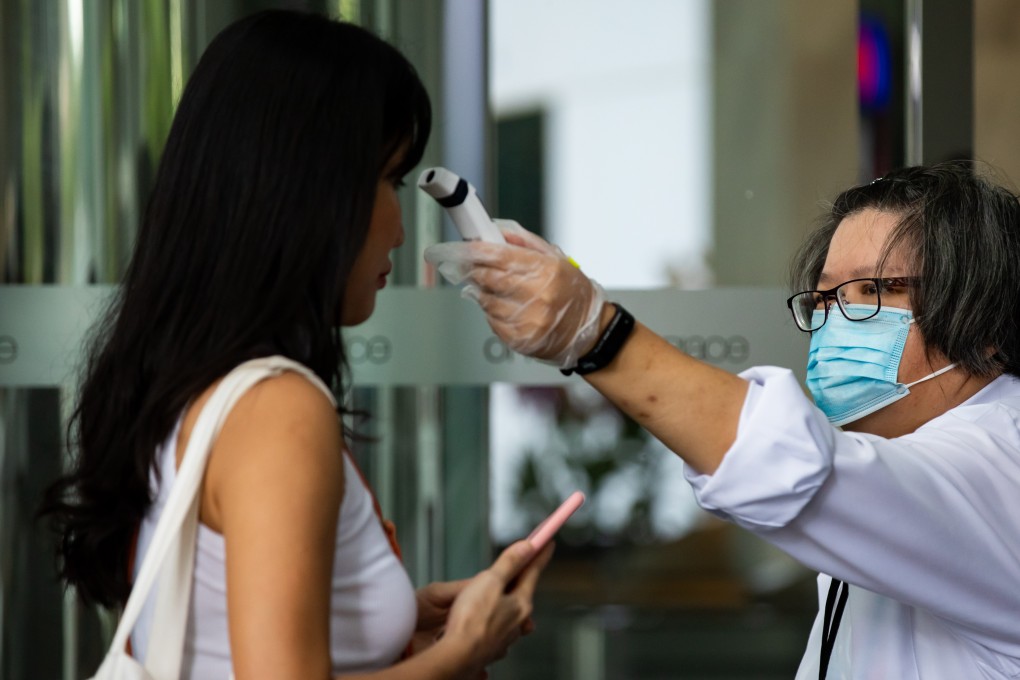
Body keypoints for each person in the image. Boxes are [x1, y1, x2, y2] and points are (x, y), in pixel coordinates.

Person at [38, 10, 552, 679]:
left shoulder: (192, 385)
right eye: (388, 181)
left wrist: (386, 613)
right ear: (309, 190)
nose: (399, 229)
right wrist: (464, 651)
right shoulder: (277, 408)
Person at [424, 162, 1020, 678]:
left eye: (873, 291)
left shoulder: (999, 468)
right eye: (824, 298)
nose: (836, 321)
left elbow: (783, 464)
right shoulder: (899, 463)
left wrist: (592, 331)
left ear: (988, 323)